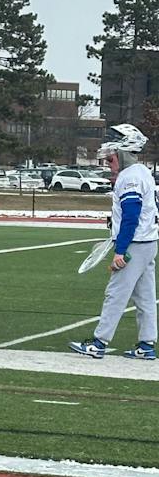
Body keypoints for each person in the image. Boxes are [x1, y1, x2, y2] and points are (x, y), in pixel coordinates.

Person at [70, 124, 157, 361]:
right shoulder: (142, 172)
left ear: (123, 151)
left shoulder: (130, 178)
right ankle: (146, 345)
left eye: (111, 158)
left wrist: (120, 250)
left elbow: (131, 216)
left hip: (135, 244)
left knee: (116, 292)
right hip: (148, 242)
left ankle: (99, 343)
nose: (109, 161)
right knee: (145, 296)